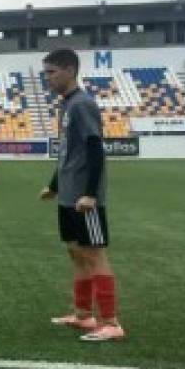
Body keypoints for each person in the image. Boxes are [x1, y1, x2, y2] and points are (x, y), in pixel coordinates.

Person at [39, 49, 123, 342]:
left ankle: (111, 322)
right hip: (68, 195)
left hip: (84, 198)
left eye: (51, 72)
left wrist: (90, 194)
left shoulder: (82, 105)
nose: (46, 78)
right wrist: (54, 185)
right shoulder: (68, 105)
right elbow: (67, 152)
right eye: (45, 72)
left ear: (70, 70)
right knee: (76, 252)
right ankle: (83, 315)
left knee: (94, 253)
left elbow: (94, 148)